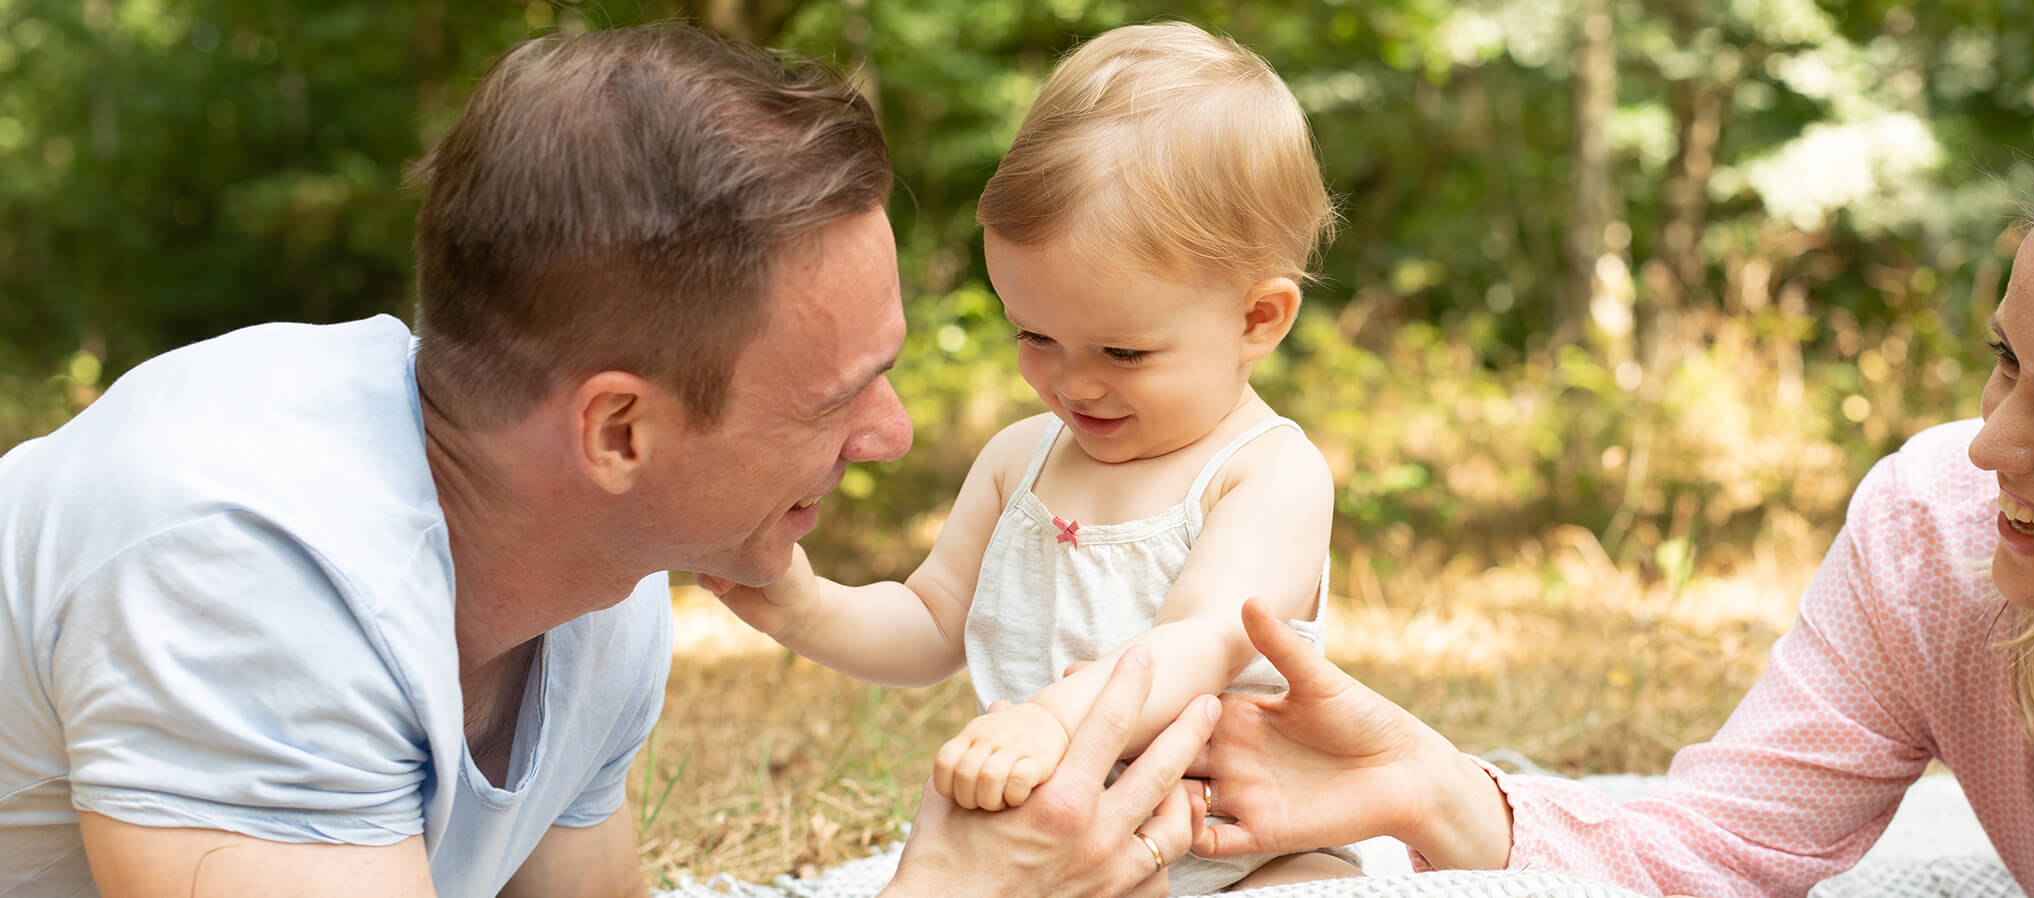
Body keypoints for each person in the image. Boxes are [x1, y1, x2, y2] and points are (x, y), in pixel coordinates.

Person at [1184, 113, 2034, 897]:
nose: (1989, 446)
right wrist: (1433, 786)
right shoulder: (1936, 534)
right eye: (2006, 362)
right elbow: (1716, 846)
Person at [0, 24, 1212, 898]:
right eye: (843, 394)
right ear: (618, 433)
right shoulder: (243, 560)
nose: (889, 434)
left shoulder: (600, 588)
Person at [702, 21, 1359, 894]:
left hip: (1247, 850)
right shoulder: (1023, 461)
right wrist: (806, 610)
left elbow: (1198, 642)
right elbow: (934, 621)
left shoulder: (1266, 473)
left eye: (1123, 353)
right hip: (1059, 856)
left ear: (1257, 320)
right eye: (1035, 335)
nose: (1073, 383)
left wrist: (1054, 719)